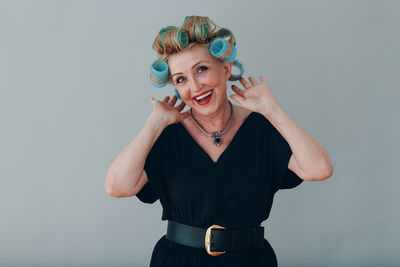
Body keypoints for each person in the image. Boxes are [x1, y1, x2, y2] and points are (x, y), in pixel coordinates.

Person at [105, 15, 333, 267]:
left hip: (250, 261)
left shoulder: (261, 128)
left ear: (225, 69)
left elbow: (319, 169)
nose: (195, 86)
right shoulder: (167, 135)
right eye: (181, 79)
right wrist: (154, 124)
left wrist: (273, 112)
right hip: (179, 261)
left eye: (201, 69)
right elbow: (117, 187)